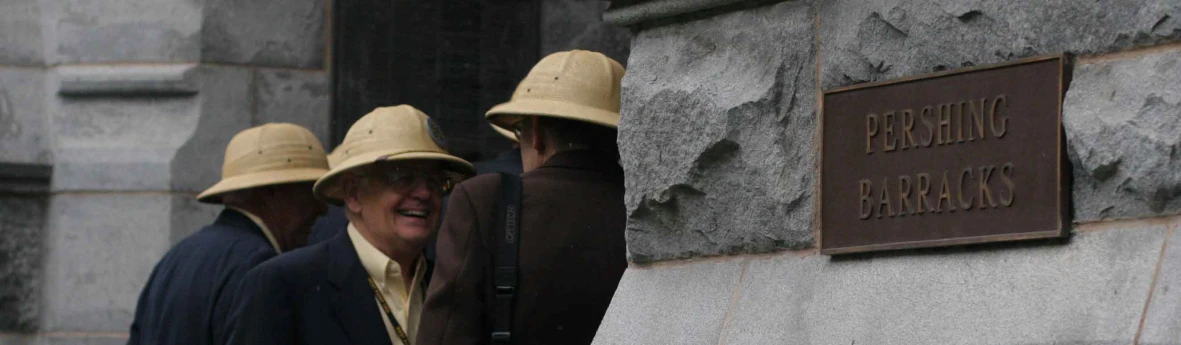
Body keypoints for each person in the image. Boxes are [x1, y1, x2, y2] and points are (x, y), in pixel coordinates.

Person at [418, 50, 627, 345]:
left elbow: (444, 336)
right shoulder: (650, 210)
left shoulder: (484, 201)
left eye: (519, 130)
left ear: (537, 133)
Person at [227, 105, 475, 345]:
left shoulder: (451, 288)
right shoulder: (284, 285)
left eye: (435, 181)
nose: (424, 193)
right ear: (353, 193)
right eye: (403, 176)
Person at [127, 123, 330, 345]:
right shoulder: (258, 265)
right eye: (311, 192)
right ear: (273, 192)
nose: (322, 209)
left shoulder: (176, 257)